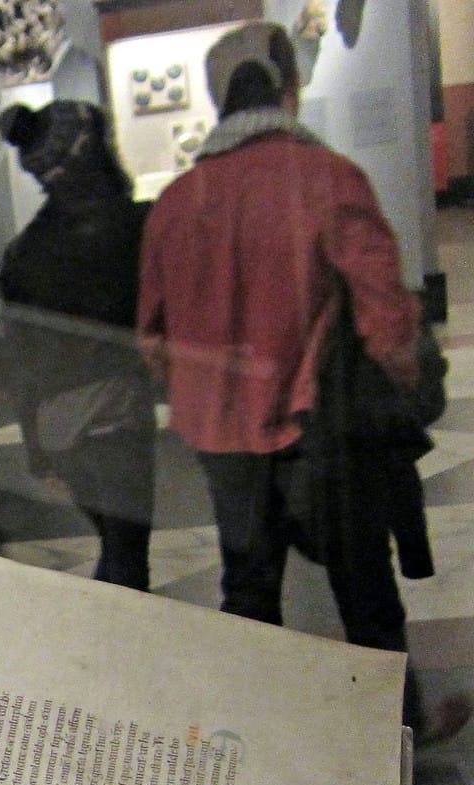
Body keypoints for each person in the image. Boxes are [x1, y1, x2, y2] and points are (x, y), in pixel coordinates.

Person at [138, 21, 469, 743]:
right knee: (364, 589)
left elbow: (153, 338)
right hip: (319, 428)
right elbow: (385, 312)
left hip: (223, 436)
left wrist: (204, 399)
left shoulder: (176, 202)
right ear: (286, 85)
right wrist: (406, 383)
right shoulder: (327, 179)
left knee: (248, 590)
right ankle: (397, 736)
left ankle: (256, 743)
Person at [0, 100, 155, 591]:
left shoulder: (23, 251)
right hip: (116, 414)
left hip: (58, 426)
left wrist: (36, 447)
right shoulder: (133, 227)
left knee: (116, 549)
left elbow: (20, 360)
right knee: (127, 560)